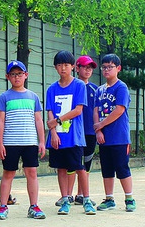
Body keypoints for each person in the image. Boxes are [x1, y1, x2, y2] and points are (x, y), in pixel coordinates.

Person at [0, 61, 47, 220]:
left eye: (20, 74)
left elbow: (38, 120)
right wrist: (0, 143)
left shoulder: (33, 97)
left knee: (31, 172)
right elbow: (0, 121)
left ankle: (34, 206)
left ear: (26, 75)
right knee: (8, 173)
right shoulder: (4, 97)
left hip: (30, 142)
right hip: (10, 142)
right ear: (7, 77)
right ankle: (3, 206)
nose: (17, 77)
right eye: (13, 74)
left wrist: (42, 141)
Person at [46, 51, 93, 216]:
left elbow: (78, 110)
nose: (63, 68)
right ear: (55, 67)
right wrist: (53, 133)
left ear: (73, 66)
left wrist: (58, 121)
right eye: (59, 65)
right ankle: (65, 199)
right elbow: (50, 113)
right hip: (58, 136)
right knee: (61, 168)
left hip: (74, 137)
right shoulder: (51, 89)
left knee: (80, 167)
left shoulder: (79, 85)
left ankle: (86, 199)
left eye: (66, 65)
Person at [94, 54, 135, 212]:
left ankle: (129, 198)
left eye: (110, 67)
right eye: (104, 67)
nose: (106, 70)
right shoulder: (100, 90)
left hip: (119, 136)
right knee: (107, 168)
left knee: (122, 167)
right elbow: (96, 110)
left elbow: (119, 110)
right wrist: (98, 130)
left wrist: (101, 125)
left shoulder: (121, 87)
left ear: (118, 68)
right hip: (104, 136)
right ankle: (109, 198)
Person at [72, 55, 99, 206]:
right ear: (77, 68)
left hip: (90, 131)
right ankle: (67, 195)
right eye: (85, 67)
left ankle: (81, 194)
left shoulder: (95, 89)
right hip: (74, 131)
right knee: (73, 163)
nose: (88, 70)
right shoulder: (73, 86)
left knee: (86, 164)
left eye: (90, 68)